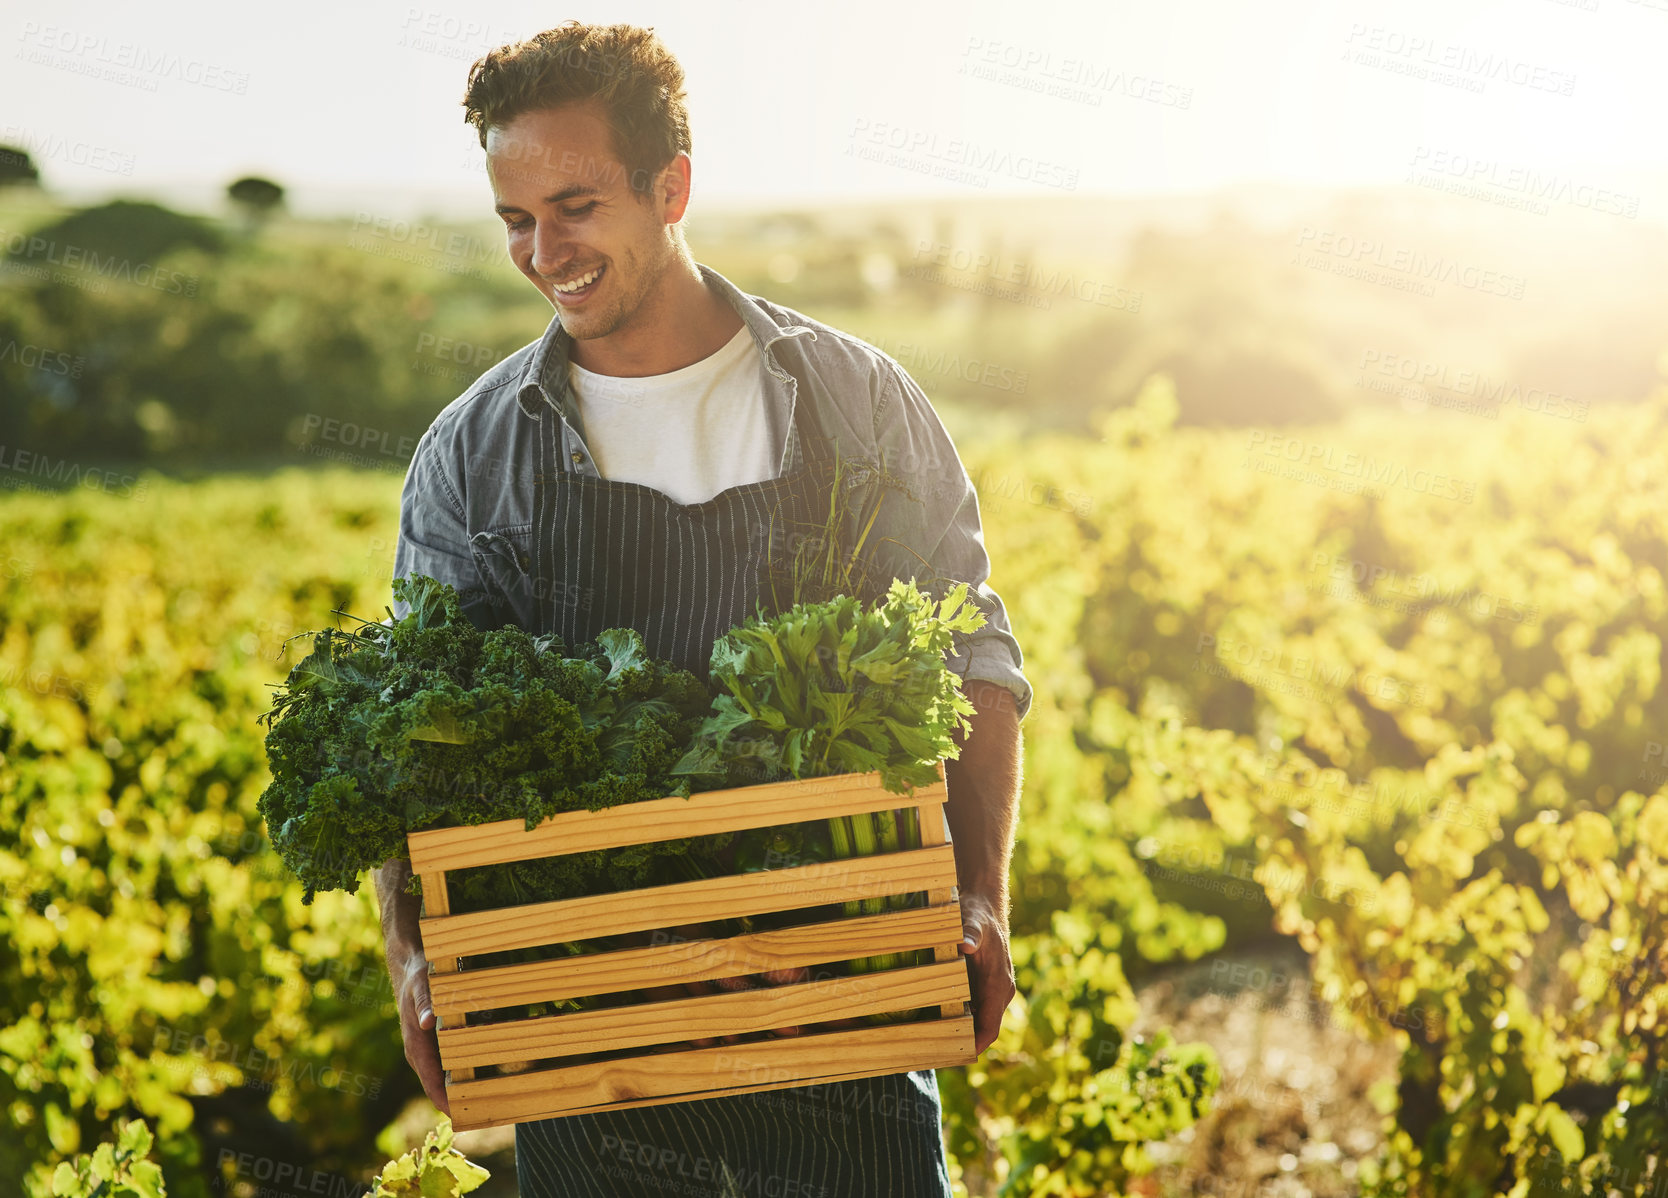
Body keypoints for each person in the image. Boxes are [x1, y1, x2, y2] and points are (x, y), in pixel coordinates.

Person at [375, 20, 1030, 1198]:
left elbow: (974, 655)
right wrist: (414, 958)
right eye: (516, 220)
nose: (542, 250)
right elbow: (406, 735)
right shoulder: (475, 455)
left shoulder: (854, 401)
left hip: (847, 1021)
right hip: (595, 1053)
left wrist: (979, 896)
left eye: (574, 207)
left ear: (670, 186)